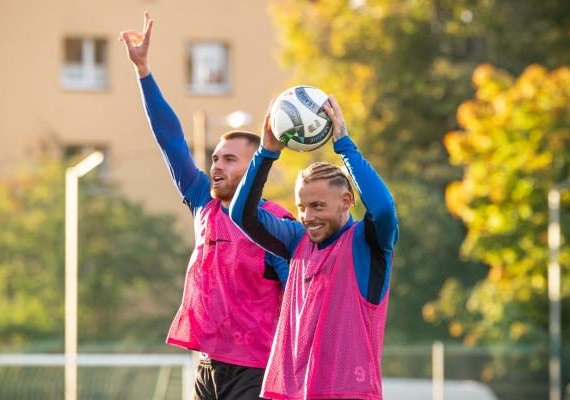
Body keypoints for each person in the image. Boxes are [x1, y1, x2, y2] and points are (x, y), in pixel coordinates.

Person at [119, 12, 294, 400]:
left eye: (230, 159)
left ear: (256, 166)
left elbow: (298, 294)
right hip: (205, 366)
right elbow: (170, 139)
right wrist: (143, 70)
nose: (216, 165)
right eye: (216, 158)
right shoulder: (203, 202)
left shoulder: (277, 223)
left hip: (257, 367)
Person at [229, 95, 399, 400]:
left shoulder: (366, 244)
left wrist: (344, 144)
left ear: (346, 201)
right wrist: (267, 152)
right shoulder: (297, 242)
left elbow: (384, 209)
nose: (307, 217)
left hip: (349, 393)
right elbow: (242, 214)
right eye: (301, 207)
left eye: (318, 206)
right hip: (291, 392)